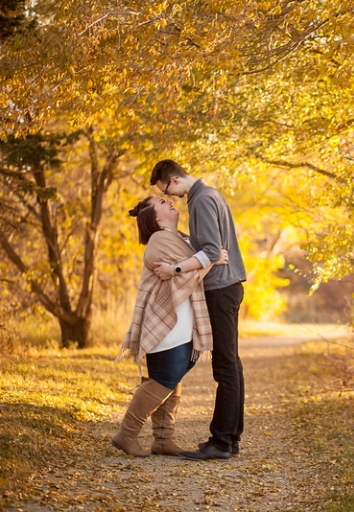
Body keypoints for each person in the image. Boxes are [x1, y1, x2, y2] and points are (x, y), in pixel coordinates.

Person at [112, 196, 227, 457]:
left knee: (173, 379)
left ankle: (163, 439)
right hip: (165, 324)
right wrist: (211, 260)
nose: (171, 202)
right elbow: (185, 276)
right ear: (153, 216)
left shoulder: (180, 238)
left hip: (181, 322)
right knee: (164, 379)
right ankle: (126, 435)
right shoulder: (160, 240)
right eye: (163, 202)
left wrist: (205, 260)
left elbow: (188, 268)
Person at [150, 159, 247, 461]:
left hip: (220, 289)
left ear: (174, 179)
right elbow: (210, 246)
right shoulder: (210, 193)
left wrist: (175, 268)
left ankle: (221, 442)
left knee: (225, 366)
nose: (169, 196)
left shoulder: (201, 200)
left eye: (165, 189)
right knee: (231, 364)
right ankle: (230, 439)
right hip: (229, 286)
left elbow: (212, 251)